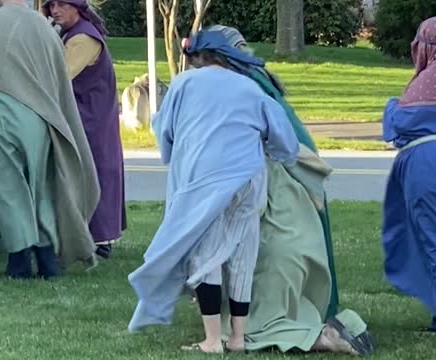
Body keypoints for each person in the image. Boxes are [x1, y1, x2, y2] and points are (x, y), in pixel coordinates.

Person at [127, 30, 300, 354]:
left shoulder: (183, 84)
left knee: (206, 258)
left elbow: (165, 132)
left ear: (197, 58)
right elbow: (285, 143)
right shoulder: (250, 88)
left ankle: (211, 340)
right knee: (241, 255)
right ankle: (237, 337)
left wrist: (171, 155)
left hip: (204, 180)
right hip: (248, 179)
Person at [210, 26, 375, 356]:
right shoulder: (260, 80)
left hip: (272, 204)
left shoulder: (239, 90)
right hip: (294, 203)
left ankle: (322, 337)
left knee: (251, 321)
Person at [0, 0, 101, 280]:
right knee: (41, 191)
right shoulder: (45, 29)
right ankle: (48, 264)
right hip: (41, 120)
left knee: (9, 191)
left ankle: (19, 266)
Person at [43, 0, 126, 260]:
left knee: (93, 173)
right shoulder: (74, 33)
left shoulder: (83, 39)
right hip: (87, 115)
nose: (55, 11)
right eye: (51, 5)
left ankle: (99, 240)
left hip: (90, 118)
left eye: (61, 5)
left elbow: (59, 75)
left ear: (77, 7)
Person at [382, 17, 436, 333]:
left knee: (431, 237)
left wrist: (391, 105)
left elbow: (395, 125)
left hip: (426, 167)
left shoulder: (422, 85)